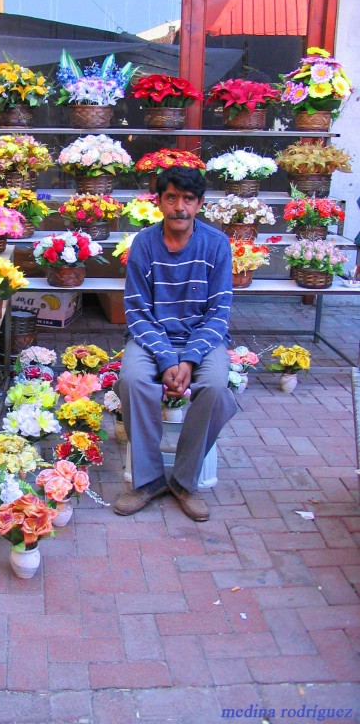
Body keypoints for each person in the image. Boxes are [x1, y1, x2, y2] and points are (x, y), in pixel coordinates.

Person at [114, 166, 237, 522]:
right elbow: (136, 309)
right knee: (134, 380)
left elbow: (218, 312)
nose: (179, 207)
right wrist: (168, 358)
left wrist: (190, 359)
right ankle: (149, 480)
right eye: (171, 197)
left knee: (214, 386)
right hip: (152, 337)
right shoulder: (144, 243)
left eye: (188, 199)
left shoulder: (216, 244)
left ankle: (184, 481)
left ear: (199, 204)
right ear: (159, 202)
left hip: (202, 339)